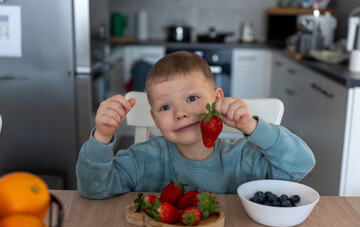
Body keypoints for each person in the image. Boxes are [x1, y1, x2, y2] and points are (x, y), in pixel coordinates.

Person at [76, 51, 315, 199]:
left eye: (192, 99)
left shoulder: (241, 159)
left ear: (217, 98)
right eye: (165, 107)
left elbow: (301, 165)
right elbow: (94, 189)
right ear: (154, 118)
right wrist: (102, 136)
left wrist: (252, 126)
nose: (180, 113)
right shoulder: (143, 159)